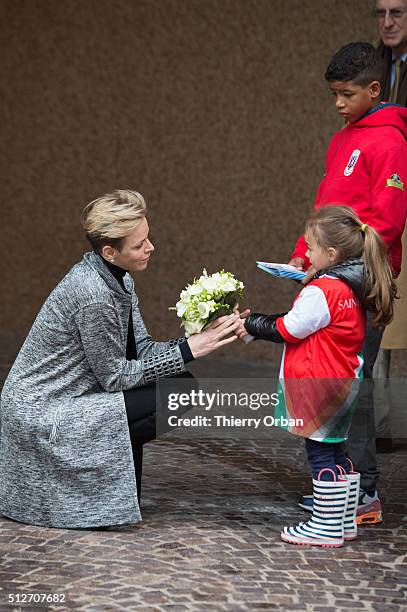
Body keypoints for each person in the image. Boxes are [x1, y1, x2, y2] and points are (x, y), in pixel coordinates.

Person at [0, 189, 242, 529]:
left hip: (70, 397)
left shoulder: (118, 280)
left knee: (180, 385)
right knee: (173, 392)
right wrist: (189, 350)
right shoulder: (93, 294)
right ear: (110, 252)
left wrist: (199, 337)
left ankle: (111, 489)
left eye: (148, 238)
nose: (150, 247)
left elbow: (140, 349)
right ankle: (99, 493)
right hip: (42, 409)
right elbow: (116, 378)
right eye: (139, 244)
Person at [288, 42, 407, 524]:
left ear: (375, 90)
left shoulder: (392, 141)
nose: (338, 103)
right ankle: (332, 486)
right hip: (329, 273)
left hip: (362, 278)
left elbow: (389, 220)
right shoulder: (343, 139)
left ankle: (364, 493)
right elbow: (325, 209)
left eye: (346, 93)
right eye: (333, 94)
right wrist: (303, 255)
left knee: (352, 385)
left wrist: (335, 262)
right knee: (326, 380)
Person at [236, 205, 397, 547]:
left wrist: (252, 324)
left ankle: (324, 526)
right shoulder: (352, 288)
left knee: (320, 454)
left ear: (332, 253)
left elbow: (292, 328)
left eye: (310, 248)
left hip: (317, 385)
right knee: (338, 452)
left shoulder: (324, 289)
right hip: (343, 383)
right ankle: (342, 522)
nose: (305, 254)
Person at [374, 0, 407, 453]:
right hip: (383, 203)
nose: (387, 22)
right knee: (378, 311)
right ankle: (378, 424)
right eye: (379, 13)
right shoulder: (375, 62)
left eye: (397, 12)